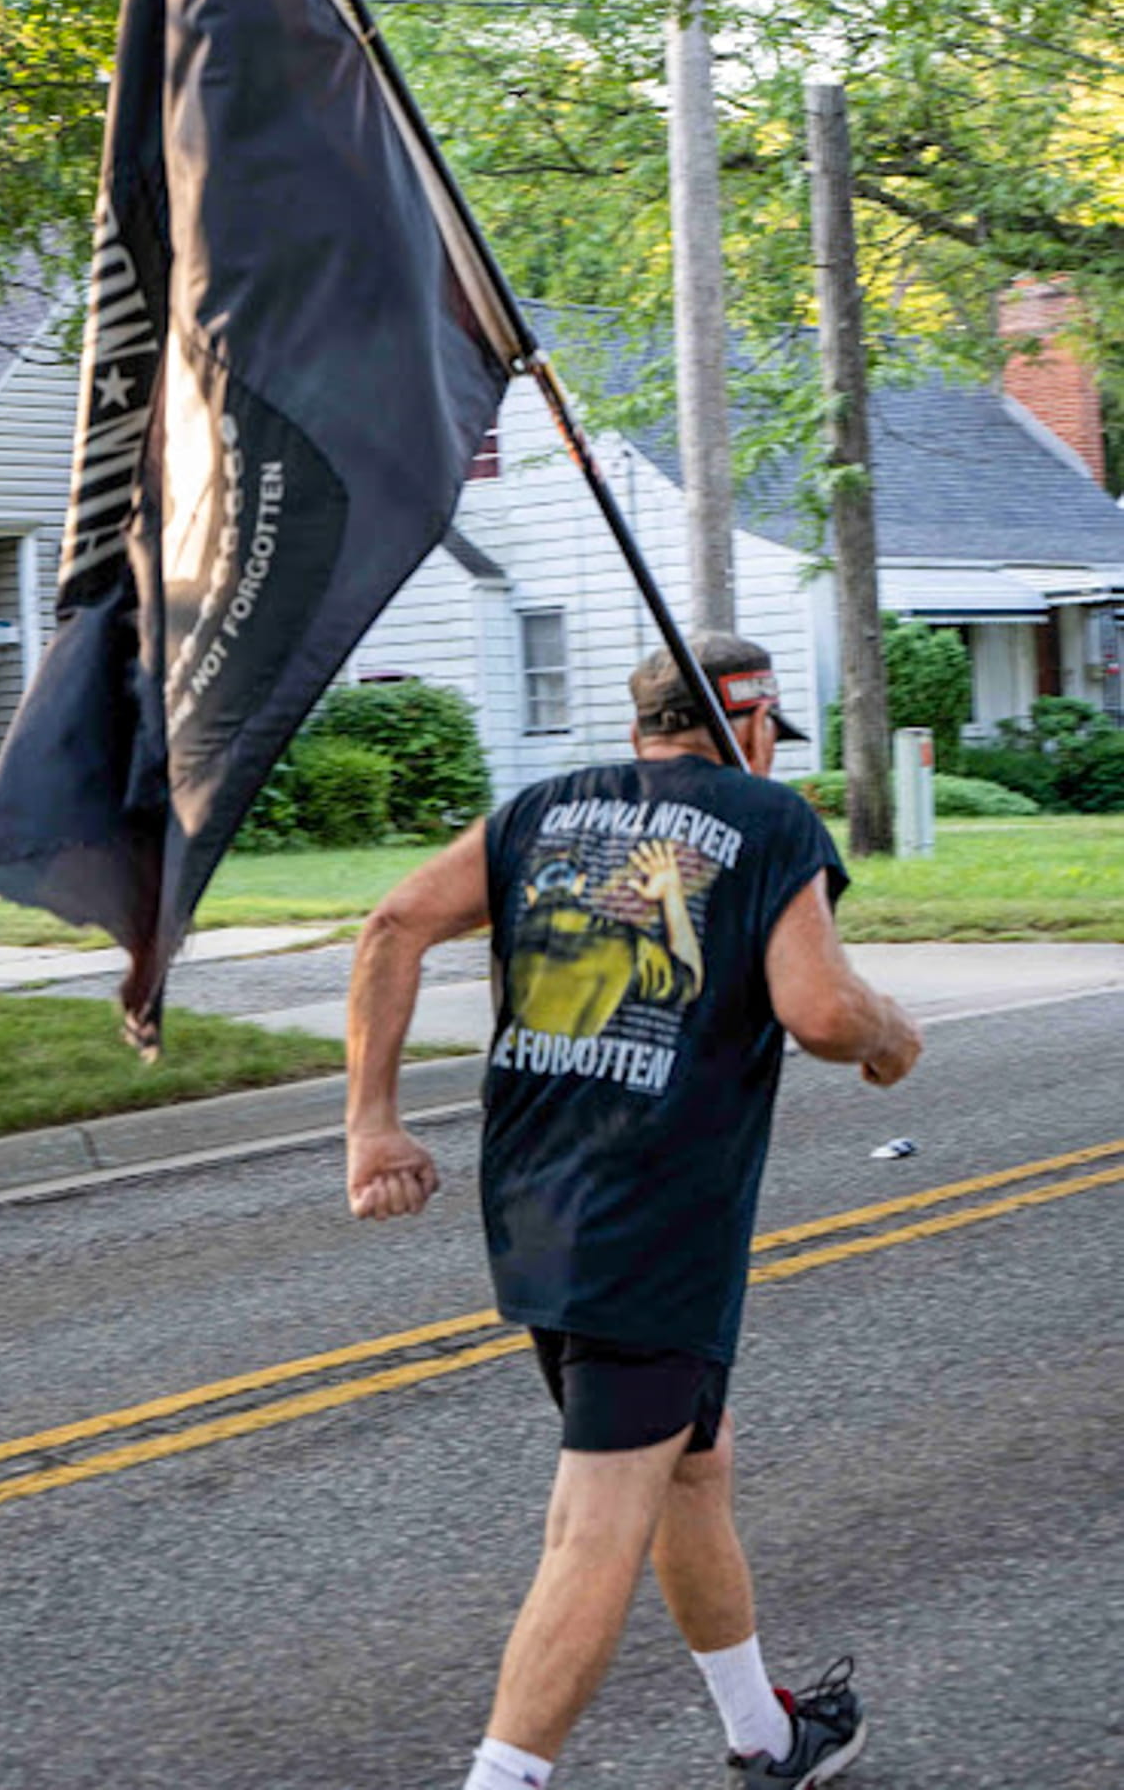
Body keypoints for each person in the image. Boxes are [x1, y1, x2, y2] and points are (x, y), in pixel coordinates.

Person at [344, 630, 923, 1790]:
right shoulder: (770, 822)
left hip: (538, 1204)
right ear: (754, 725)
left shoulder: (539, 812)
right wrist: (887, 1034)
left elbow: (392, 923)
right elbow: (815, 1008)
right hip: (651, 1218)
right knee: (595, 1525)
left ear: (638, 730)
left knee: (690, 1463)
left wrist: (373, 1121)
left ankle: (764, 1735)